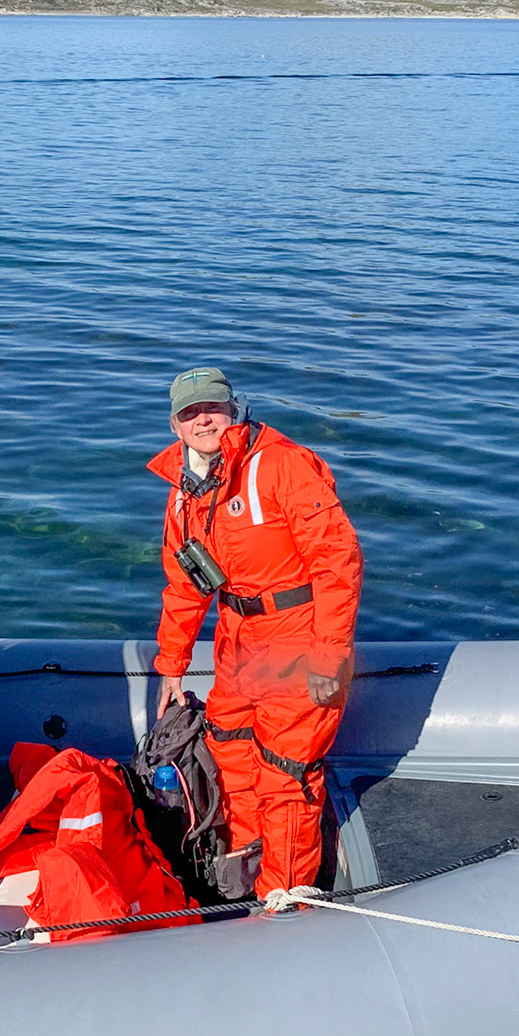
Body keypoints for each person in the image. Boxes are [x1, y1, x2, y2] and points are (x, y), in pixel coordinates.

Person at [149, 367, 362, 899]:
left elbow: (338, 563)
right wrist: (172, 665)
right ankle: (242, 870)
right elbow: (183, 583)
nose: (204, 421)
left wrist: (328, 655)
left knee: (285, 773)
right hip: (237, 641)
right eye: (190, 413)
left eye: (212, 409)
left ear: (234, 409)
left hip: (299, 636)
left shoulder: (281, 466)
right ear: (175, 425)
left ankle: (285, 895)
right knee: (231, 748)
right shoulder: (184, 488)